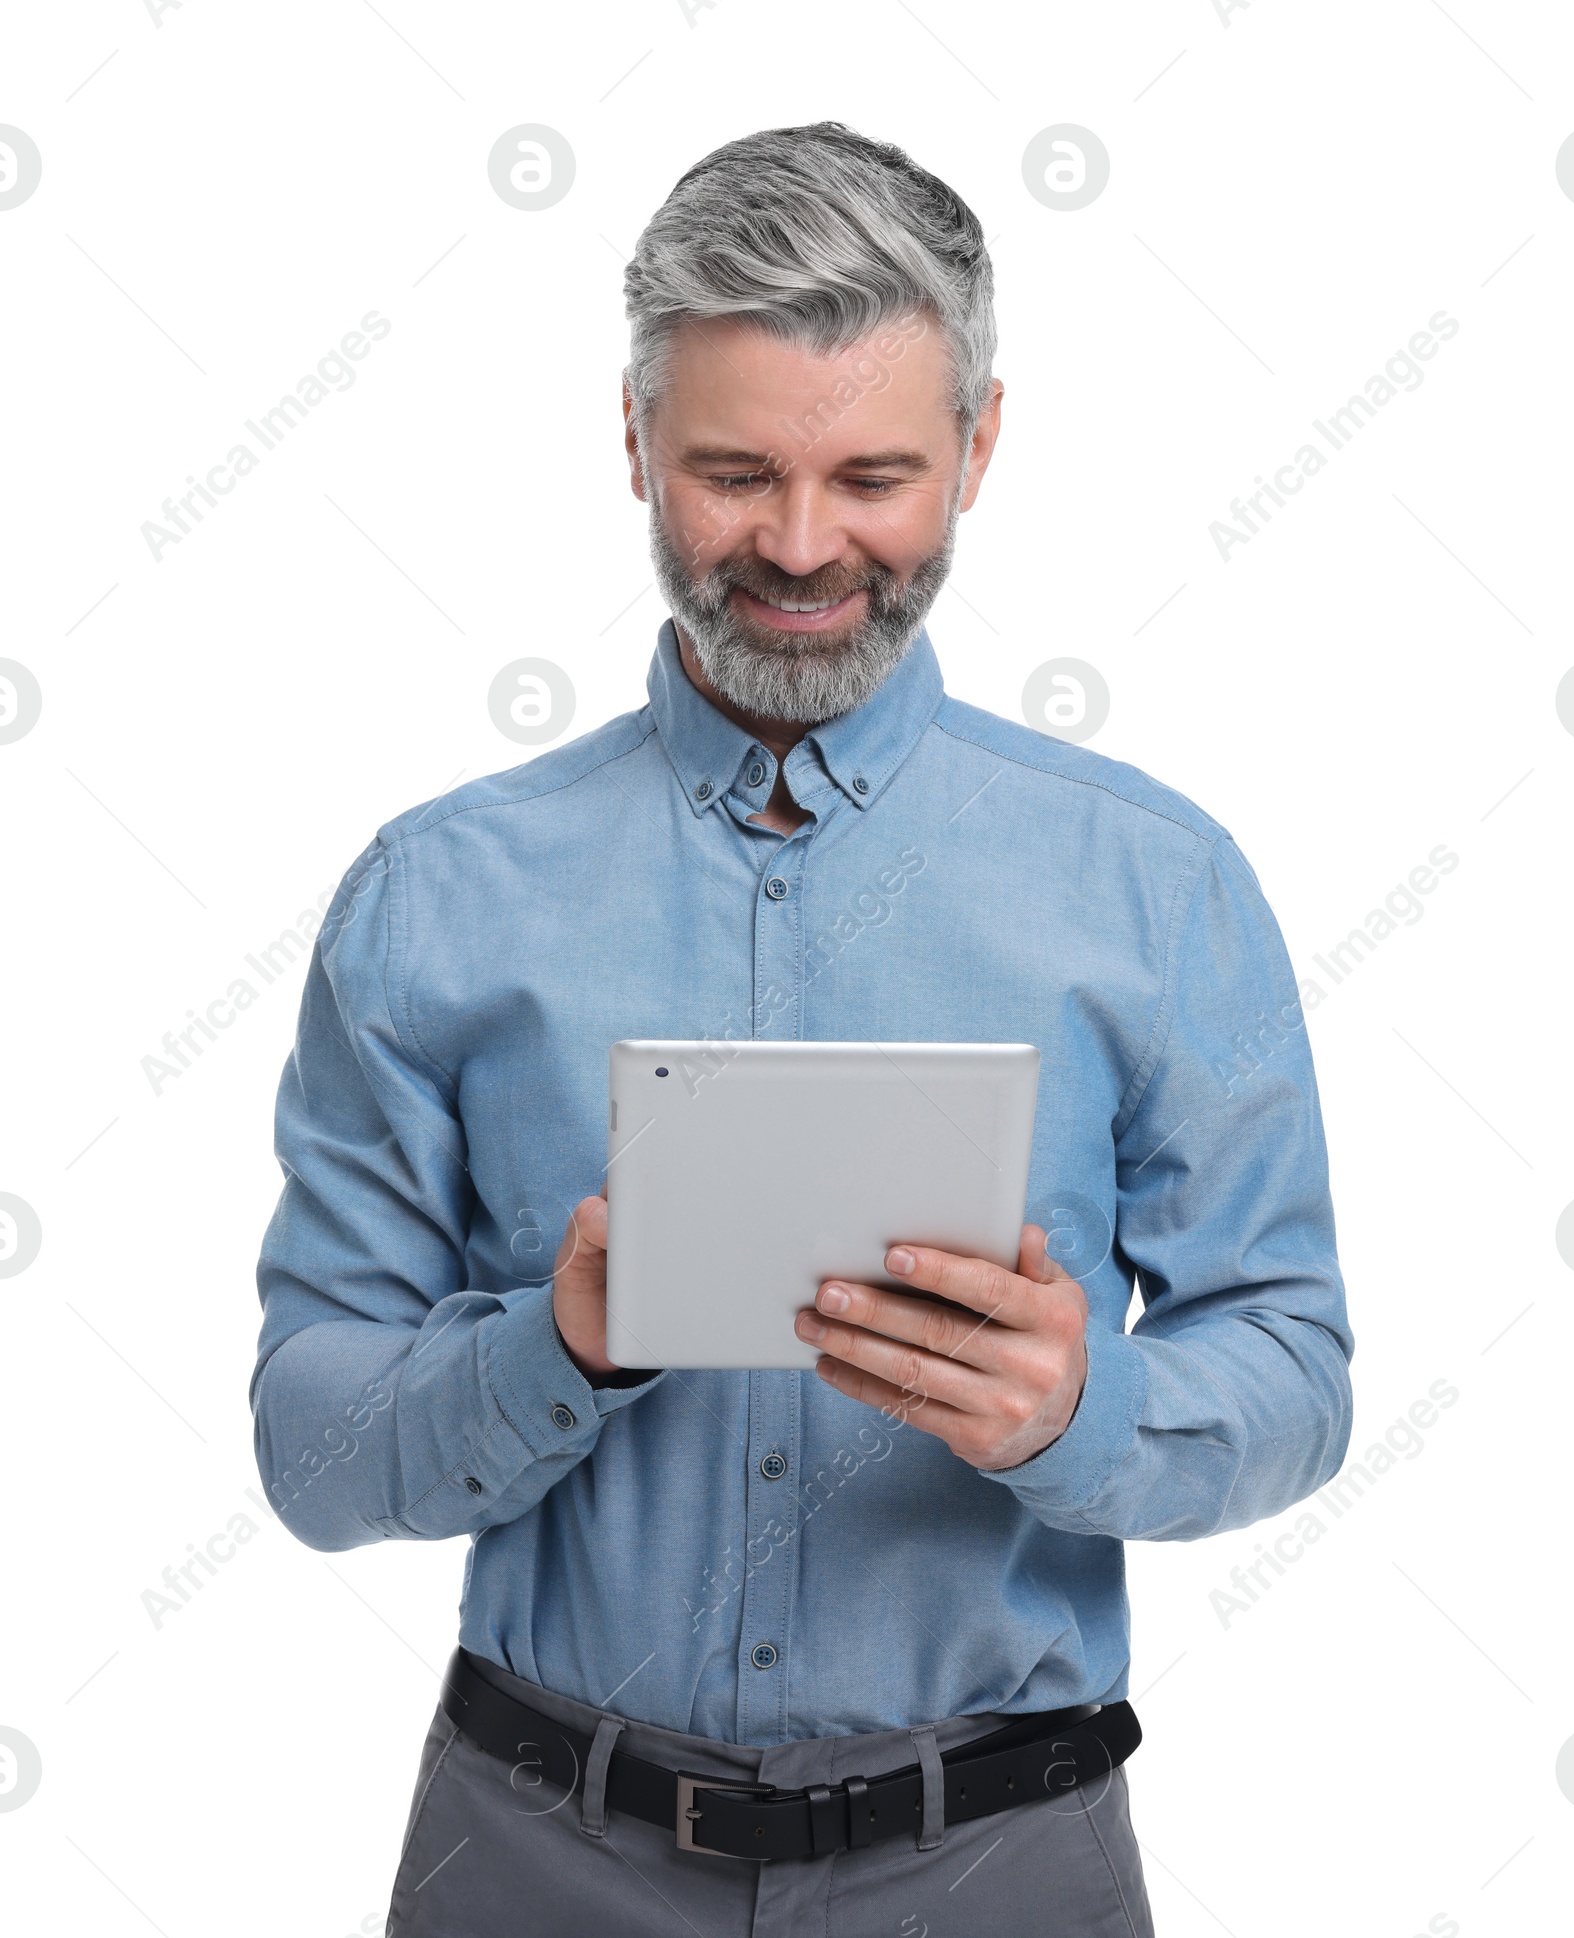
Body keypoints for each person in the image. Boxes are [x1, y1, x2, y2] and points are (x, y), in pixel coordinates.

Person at [250, 121, 1353, 1937]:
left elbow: (1296, 1368)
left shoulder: (1158, 884)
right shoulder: (436, 898)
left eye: (876, 475)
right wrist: (563, 1348)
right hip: (533, 1855)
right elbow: (307, 1448)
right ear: (630, 440)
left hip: (1006, 1860)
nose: (799, 544)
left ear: (982, 446)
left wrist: (1089, 1408)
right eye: (734, 471)